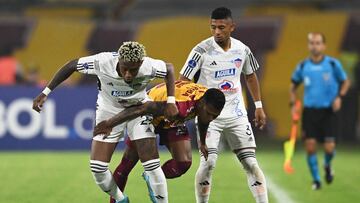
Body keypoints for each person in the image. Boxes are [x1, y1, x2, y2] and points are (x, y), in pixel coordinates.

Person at [32, 41, 179, 203]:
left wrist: (171, 101)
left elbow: (169, 69)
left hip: (139, 110)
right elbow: (72, 65)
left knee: (151, 165)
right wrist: (46, 92)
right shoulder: (102, 62)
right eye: (125, 68)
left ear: (141, 64)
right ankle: (121, 200)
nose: (129, 75)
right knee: (98, 168)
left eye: (133, 70)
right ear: (119, 61)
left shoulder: (149, 66)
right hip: (108, 112)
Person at [179, 7, 268, 203]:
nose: (217, 32)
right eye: (213, 27)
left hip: (237, 114)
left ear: (232, 27)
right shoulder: (200, 51)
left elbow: (250, 76)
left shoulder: (242, 49)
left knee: (251, 163)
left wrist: (259, 105)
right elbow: (183, 79)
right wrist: (193, 106)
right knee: (208, 163)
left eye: (221, 27)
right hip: (210, 117)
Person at [93, 80, 225, 203]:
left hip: (170, 118)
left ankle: (152, 176)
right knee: (127, 163)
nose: (211, 118)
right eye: (209, 114)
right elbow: (140, 109)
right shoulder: (181, 105)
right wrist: (110, 123)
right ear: (202, 104)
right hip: (148, 112)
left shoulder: (208, 100)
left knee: (183, 163)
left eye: (215, 116)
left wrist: (202, 142)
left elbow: (204, 119)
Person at [290, 32, 350, 190]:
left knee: (329, 147)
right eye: (312, 43)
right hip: (310, 112)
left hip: (329, 111)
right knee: (310, 147)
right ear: (308, 45)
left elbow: (345, 82)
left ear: (324, 46)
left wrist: (339, 97)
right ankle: (316, 180)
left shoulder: (332, 64)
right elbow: (293, 86)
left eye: (317, 43)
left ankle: (327, 164)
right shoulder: (303, 66)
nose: (314, 46)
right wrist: (293, 104)